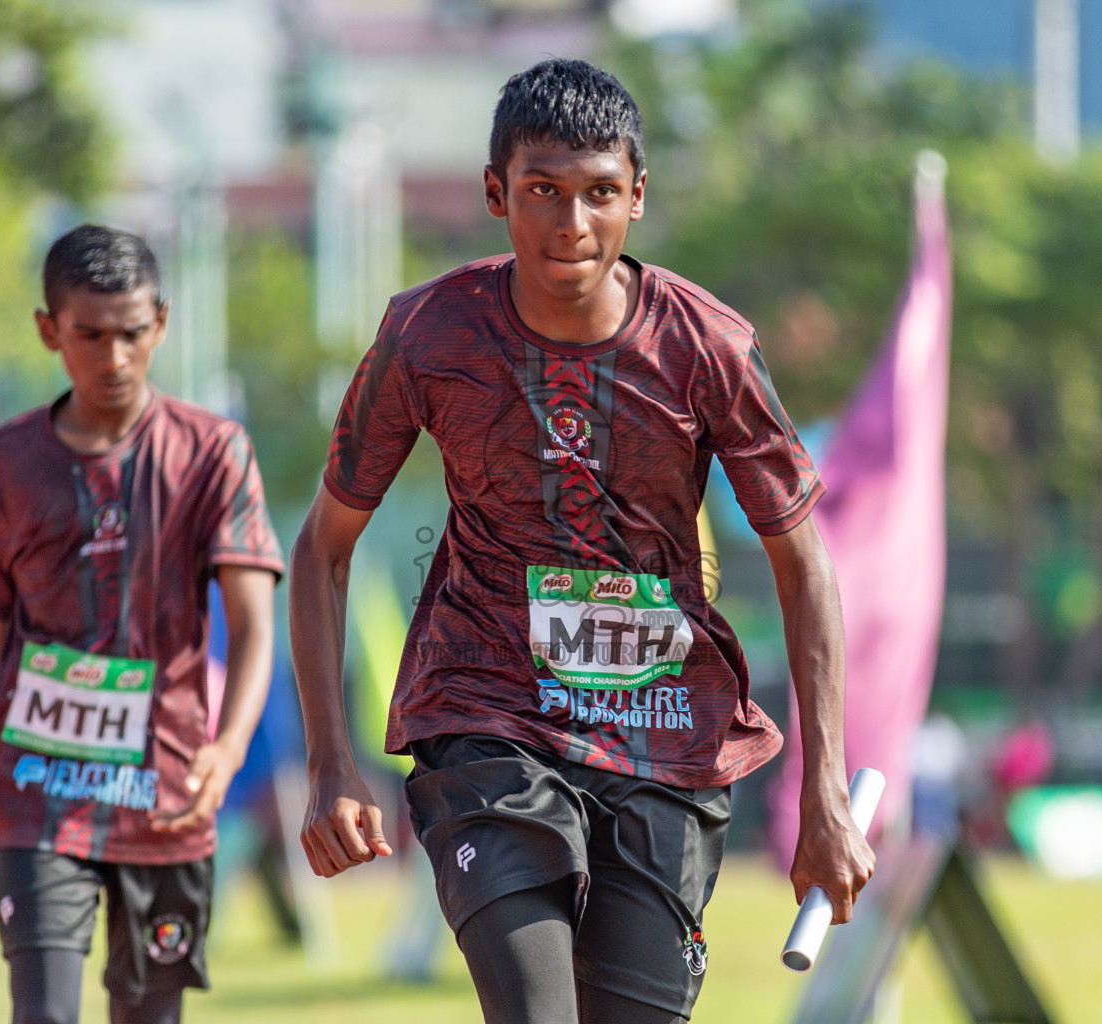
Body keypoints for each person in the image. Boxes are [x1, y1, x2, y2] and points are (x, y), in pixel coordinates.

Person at [290, 59, 874, 1024]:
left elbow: (802, 560)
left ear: (637, 196)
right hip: (488, 714)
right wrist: (327, 766)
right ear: (495, 194)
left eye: (601, 193)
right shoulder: (427, 336)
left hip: (664, 736)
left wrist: (828, 795)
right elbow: (322, 548)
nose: (572, 225)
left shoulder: (706, 347)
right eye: (543, 193)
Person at [0, 225, 283, 1024]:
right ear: (49, 330)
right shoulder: (4, 465)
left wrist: (228, 746)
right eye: (89, 335)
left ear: (162, 324)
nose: (113, 357)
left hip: (168, 796)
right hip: (36, 791)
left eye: (132, 334)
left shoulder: (214, 453)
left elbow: (254, 622)